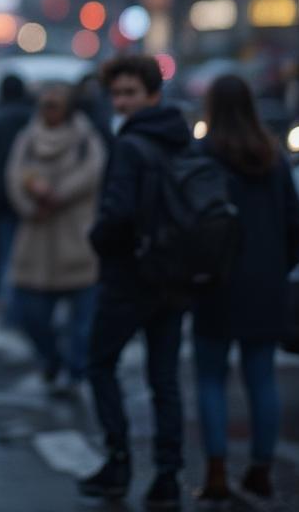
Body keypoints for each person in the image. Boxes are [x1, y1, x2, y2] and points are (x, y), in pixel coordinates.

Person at [81, 54, 192, 510]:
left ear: (152, 94)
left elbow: (118, 213)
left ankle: (119, 459)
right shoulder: (183, 140)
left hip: (130, 276)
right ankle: (168, 474)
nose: (122, 102)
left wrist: (99, 239)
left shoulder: (129, 144)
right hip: (175, 274)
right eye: (117, 94)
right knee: (163, 379)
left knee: (100, 363)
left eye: (130, 93)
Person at [191, 75, 299, 504]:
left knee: (210, 379)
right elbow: (293, 223)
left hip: (215, 281)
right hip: (266, 281)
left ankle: (216, 472)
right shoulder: (272, 157)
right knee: (262, 380)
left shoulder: (203, 154)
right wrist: (279, 266)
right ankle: (261, 471)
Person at [5, 83, 105, 395]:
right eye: (45, 103)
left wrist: (55, 195)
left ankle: (75, 372)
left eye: (55, 104)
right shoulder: (27, 138)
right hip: (36, 242)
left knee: (83, 323)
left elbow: (92, 174)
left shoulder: (87, 139)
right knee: (32, 316)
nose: (49, 109)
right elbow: (13, 178)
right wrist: (31, 203)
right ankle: (52, 360)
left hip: (77, 243)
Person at [0, 74, 34, 298]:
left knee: (5, 250)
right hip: (32, 190)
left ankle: (7, 302)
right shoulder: (33, 117)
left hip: (1, 195)